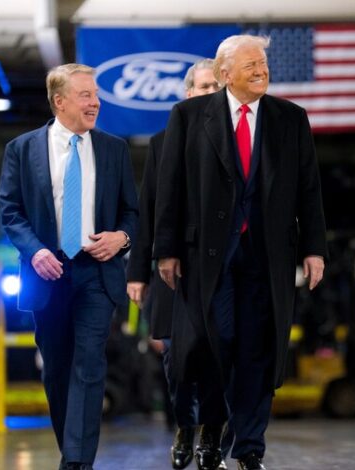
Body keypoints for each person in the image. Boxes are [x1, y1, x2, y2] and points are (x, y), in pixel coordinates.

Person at [153, 34, 327, 470]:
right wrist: (166, 250)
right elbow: (170, 188)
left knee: (260, 349)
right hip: (207, 257)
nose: (261, 70)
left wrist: (314, 249)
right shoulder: (189, 117)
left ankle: (249, 447)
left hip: (269, 256)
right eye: (251, 64)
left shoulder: (291, 118)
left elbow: (309, 189)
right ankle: (213, 429)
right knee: (218, 344)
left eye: (263, 63)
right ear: (225, 73)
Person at [0, 63, 139, 470]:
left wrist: (121, 238)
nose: (95, 103)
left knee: (89, 362)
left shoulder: (114, 149)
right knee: (57, 369)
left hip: (97, 272)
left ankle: (77, 462)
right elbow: (10, 211)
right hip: (47, 272)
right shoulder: (22, 149)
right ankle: (71, 451)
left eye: (96, 95)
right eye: (85, 95)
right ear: (59, 101)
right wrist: (34, 251)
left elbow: (132, 212)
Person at [126, 59, 229, 470]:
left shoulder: (239, 141)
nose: (209, 93)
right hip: (175, 269)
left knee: (219, 357)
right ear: (188, 94)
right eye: (203, 87)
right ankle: (185, 426)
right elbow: (149, 210)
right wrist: (138, 272)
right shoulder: (163, 142)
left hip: (222, 271)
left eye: (216, 87)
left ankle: (211, 437)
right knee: (177, 360)